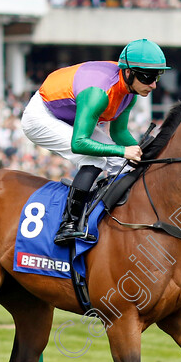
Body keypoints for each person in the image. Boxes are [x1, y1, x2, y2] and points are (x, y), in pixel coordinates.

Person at [21, 38, 170, 245]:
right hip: (42, 116)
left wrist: (144, 153)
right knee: (95, 159)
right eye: (148, 77)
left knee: (125, 164)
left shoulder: (129, 93)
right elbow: (79, 143)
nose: (153, 85)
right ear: (128, 72)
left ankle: (113, 220)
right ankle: (69, 224)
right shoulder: (99, 93)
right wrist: (123, 151)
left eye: (157, 77)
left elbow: (119, 134)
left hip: (71, 115)